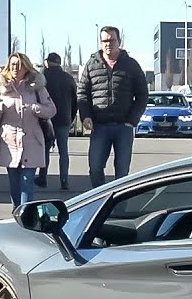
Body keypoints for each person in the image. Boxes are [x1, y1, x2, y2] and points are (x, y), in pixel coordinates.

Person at [77, 26, 148, 187]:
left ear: (119, 41)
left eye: (112, 40)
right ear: (100, 43)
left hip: (123, 126)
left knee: (122, 172)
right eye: (104, 41)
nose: (108, 44)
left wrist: (132, 120)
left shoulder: (130, 64)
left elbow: (143, 94)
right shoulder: (91, 65)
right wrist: (85, 116)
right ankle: (100, 202)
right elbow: (82, 93)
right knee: (95, 168)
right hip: (99, 126)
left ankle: (119, 207)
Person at [0, 52, 56, 210]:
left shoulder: (37, 87)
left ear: (26, 67)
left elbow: (52, 110)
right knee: (14, 185)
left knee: (27, 183)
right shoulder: (2, 87)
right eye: (12, 65)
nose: (15, 68)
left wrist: (37, 109)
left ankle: (25, 218)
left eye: (19, 65)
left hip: (32, 140)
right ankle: (16, 214)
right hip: (10, 141)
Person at [38, 52, 78, 191]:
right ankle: (64, 180)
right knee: (63, 151)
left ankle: (42, 177)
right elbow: (75, 101)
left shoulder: (43, 77)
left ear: (48, 62)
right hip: (64, 119)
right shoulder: (68, 78)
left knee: (45, 149)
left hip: (46, 119)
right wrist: (71, 118)